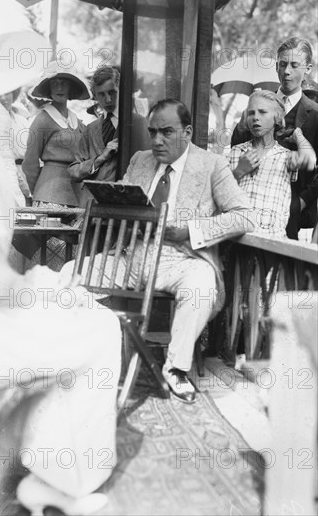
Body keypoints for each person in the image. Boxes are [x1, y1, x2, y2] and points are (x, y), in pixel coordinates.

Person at [0, 29, 122, 516]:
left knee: (71, 302)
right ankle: (59, 477)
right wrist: (34, 288)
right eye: (3, 109)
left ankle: (51, 472)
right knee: (98, 327)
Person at [62, 99, 255, 404]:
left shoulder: (211, 165)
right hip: (131, 255)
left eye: (166, 132)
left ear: (187, 132)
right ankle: (80, 358)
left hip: (182, 260)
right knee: (69, 275)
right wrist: (119, 210)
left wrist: (190, 231)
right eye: (152, 132)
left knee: (202, 288)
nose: (156, 141)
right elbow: (121, 196)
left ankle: (176, 368)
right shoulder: (141, 160)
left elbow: (244, 215)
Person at [231, 37, 318, 239]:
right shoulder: (257, 107)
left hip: (291, 211)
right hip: (246, 207)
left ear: (308, 69)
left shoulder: (315, 115)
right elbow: (236, 148)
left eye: (294, 65)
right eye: (282, 64)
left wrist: (301, 201)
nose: (286, 71)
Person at [68, 65, 151, 202]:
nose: (107, 99)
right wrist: (100, 159)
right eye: (101, 94)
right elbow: (74, 171)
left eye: (112, 92)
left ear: (121, 91)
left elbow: (148, 166)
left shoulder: (137, 123)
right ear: (95, 96)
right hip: (94, 207)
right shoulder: (90, 129)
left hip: (127, 205)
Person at [228, 90, 300, 237]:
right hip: (238, 238)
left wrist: (298, 139)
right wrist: (239, 171)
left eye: (262, 112)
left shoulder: (286, 157)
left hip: (272, 241)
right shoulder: (237, 151)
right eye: (251, 113)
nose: (255, 118)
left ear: (277, 118)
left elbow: (309, 161)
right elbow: (220, 193)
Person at [23, 61, 90, 209]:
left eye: (64, 83)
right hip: (49, 193)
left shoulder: (77, 121)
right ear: (49, 88)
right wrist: (38, 192)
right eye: (55, 83)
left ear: (70, 87)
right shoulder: (42, 119)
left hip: (75, 192)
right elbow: (30, 163)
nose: (60, 88)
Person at [0, 88, 32, 204]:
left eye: (7, 93)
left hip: (27, 173)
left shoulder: (22, 121)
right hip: (3, 174)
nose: (3, 98)